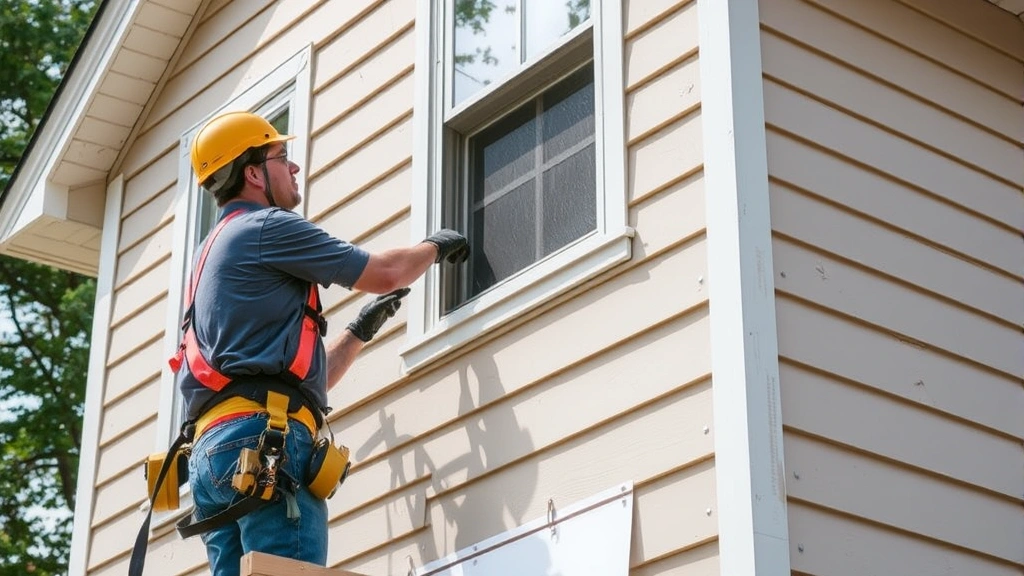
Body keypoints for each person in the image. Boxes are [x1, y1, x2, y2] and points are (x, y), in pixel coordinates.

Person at [172, 111, 469, 575]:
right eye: (281, 157)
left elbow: (288, 386)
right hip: (264, 442)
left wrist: (357, 334)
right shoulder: (266, 227)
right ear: (252, 173)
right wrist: (434, 245)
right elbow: (386, 273)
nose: (293, 168)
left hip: (214, 455)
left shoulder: (209, 254)